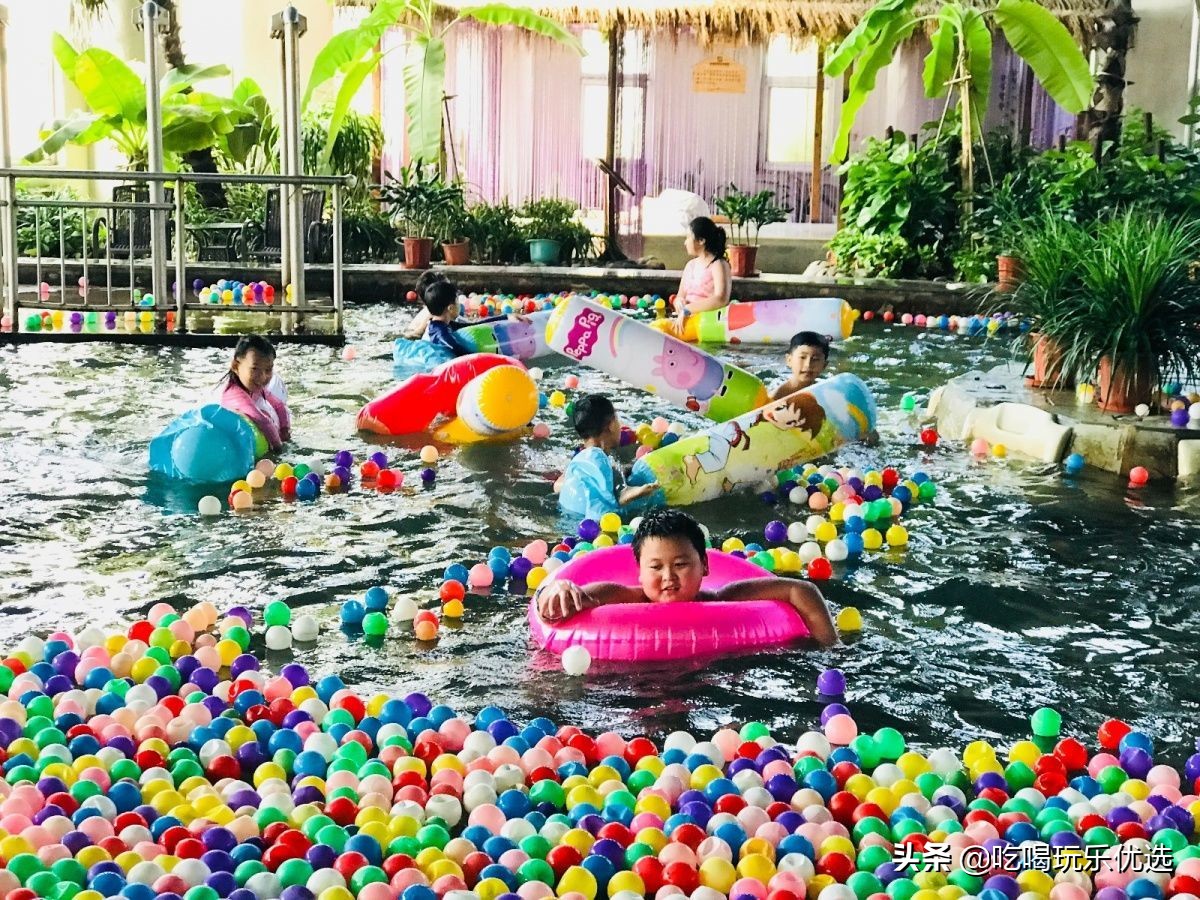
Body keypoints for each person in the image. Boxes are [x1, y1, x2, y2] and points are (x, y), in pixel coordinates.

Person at [534, 508, 839, 646]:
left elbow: (800, 589)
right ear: (639, 573)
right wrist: (558, 587)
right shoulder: (625, 596)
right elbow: (579, 597)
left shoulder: (720, 600)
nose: (668, 577)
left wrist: (829, 647)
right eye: (655, 568)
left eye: (680, 564)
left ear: (705, 566)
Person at [554, 394, 659, 519]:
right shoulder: (598, 457)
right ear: (610, 425)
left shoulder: (579, 461)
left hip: (569, 516)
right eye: (617, 419)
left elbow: (558, 486)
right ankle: (624, 491)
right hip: (598, 521)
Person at [218, 334, 291, 451]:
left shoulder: (255, 388)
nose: (262, 377)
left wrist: (284, 429)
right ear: (235, 366)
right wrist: (279, 450)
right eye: (254, 369)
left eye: (268, 369)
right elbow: (261, 420)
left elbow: (279, 405)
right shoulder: (234, 394)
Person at [770, 330, 830, 400]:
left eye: (815, 359)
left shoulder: (826, 390)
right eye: (802, 357)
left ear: (824, 365)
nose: (808, 364)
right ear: (789, 360)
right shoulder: (777, 397)